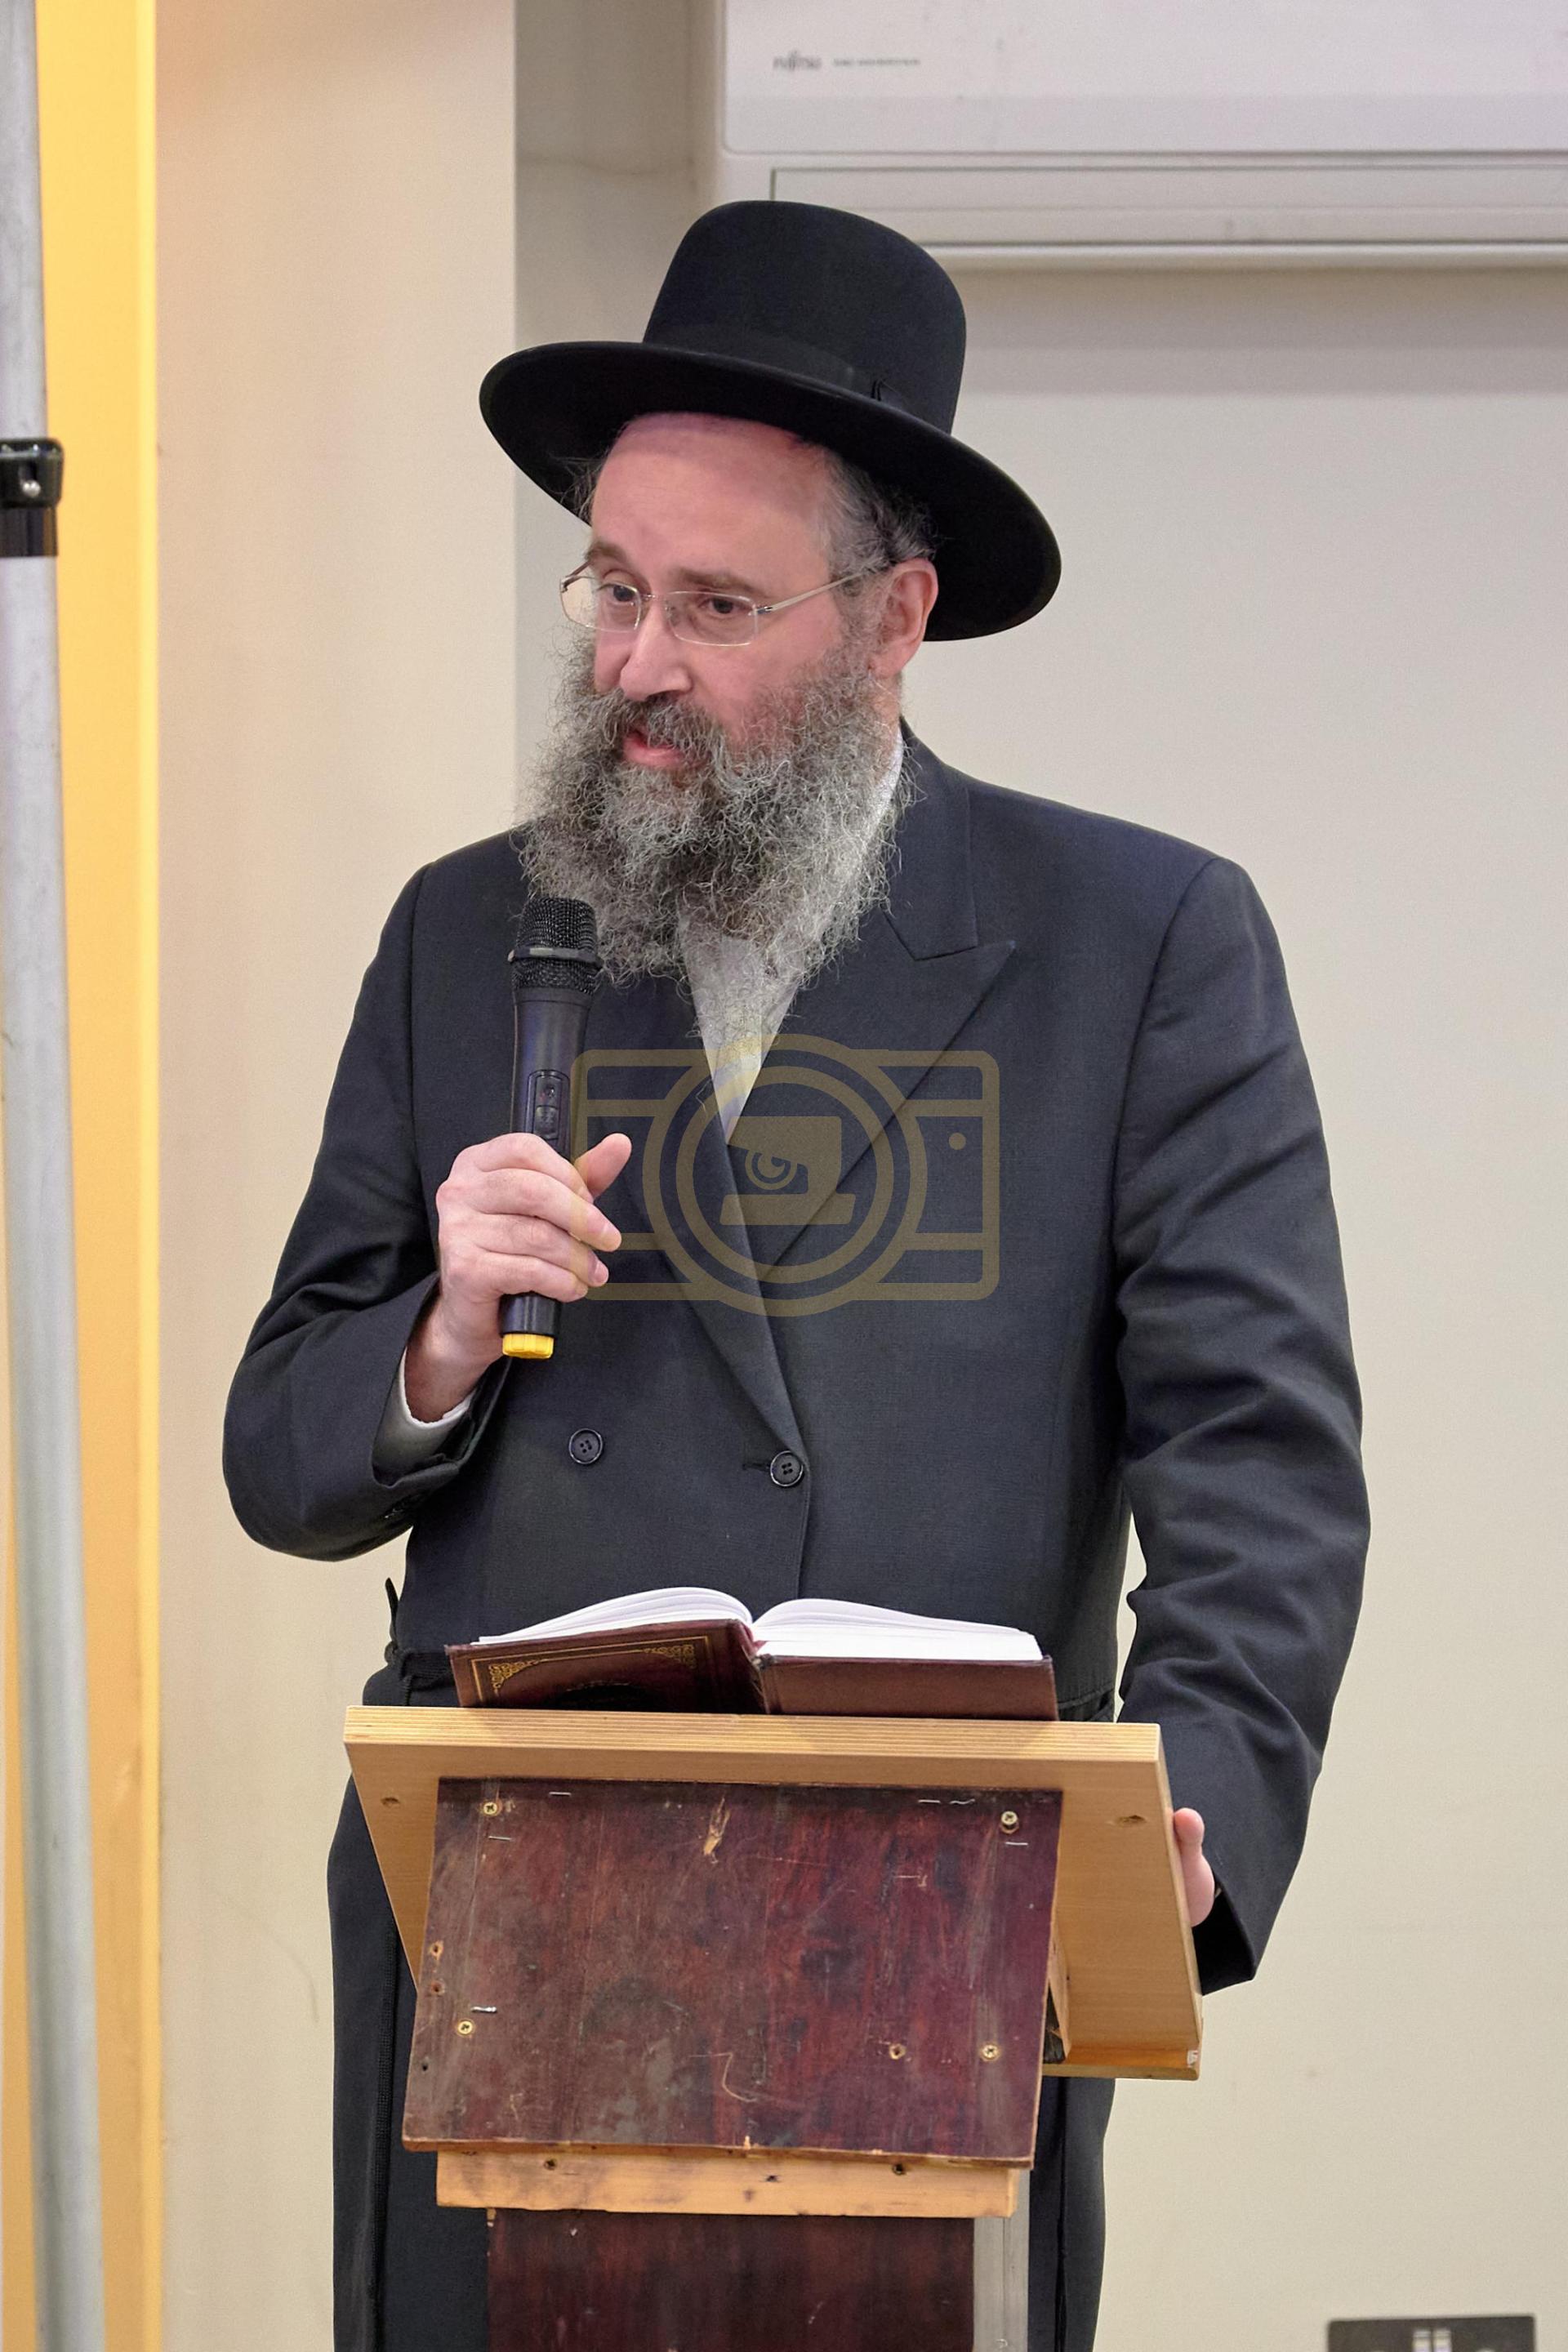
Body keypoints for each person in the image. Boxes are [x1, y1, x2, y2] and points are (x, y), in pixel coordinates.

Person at [224, 201, 1368, 2351]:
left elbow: (1259, 1463)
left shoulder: (1136, 944)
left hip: (928, 1928)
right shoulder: (467, 930)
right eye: (614, 587)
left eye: (719, 607)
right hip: (509, 1943)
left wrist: (1190, 1792)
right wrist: (440, 1334)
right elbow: (283, 1457)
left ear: (893, 619)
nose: (636, 664)